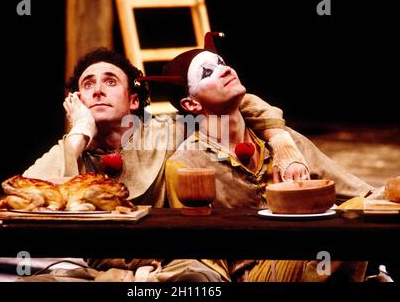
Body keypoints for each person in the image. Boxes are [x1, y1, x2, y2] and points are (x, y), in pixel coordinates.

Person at [19, 46, 310, 281]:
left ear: (133, 101)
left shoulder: (167, 132)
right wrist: (79, 131)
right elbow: (30, 193)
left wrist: (280, 140)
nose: (97, 90)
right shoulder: (71, 148)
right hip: (104, 275)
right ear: (76, 100)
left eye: (110, 82)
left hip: (173, 270)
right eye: (88, 84)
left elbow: (235, 101)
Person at [136, 32, 385, 282]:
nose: (225, 70)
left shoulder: (285, 142)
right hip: (252, 273)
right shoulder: (188, 164)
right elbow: (203, 255)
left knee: (358, 214)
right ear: (191, 105)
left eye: (221, 63)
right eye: (206, 73)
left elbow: (361, 195)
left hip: (308, 255)